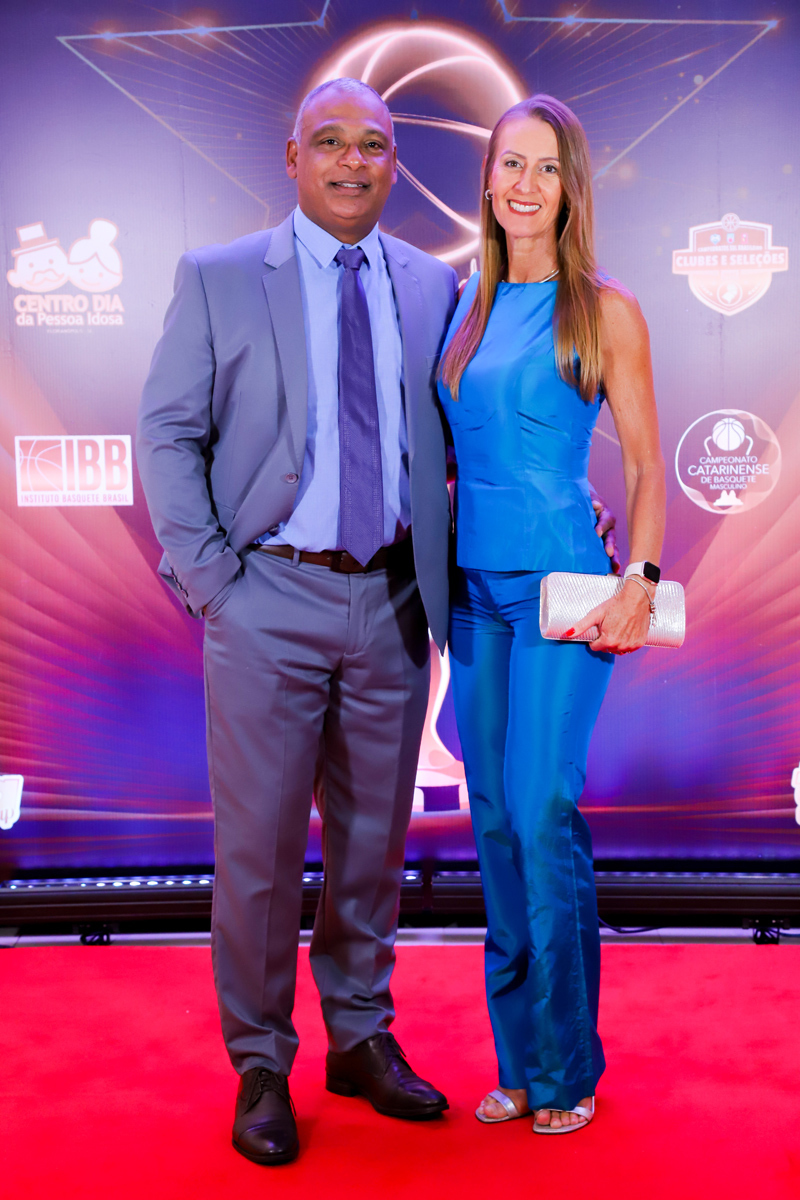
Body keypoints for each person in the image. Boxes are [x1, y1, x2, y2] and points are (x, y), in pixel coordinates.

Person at [137, 78, 617, 1164]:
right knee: (259, 851)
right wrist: (214, 582)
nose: (352, 161)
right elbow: (166, 433)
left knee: (370, 844)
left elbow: (481, 420)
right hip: (266, 593)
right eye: (330, 142)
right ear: (292, 155)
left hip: (397, 596)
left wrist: (568, 497)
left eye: (373, 145)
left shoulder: (437, 286)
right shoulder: (218, 277)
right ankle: (262, 1061)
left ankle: (358, 1036)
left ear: (397, 163)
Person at [438, 95, 665, 1134]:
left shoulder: (604, 309)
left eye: (544, 168)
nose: (523, 185)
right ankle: (519, 1063)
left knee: (540, 811)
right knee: (490, 820)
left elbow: (646, 466)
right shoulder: (463, 304)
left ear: (570, 187)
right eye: (508, 164)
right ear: (486, 179)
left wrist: (641, 577)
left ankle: (570, 1065)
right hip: (471, 594)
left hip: (563, 592)